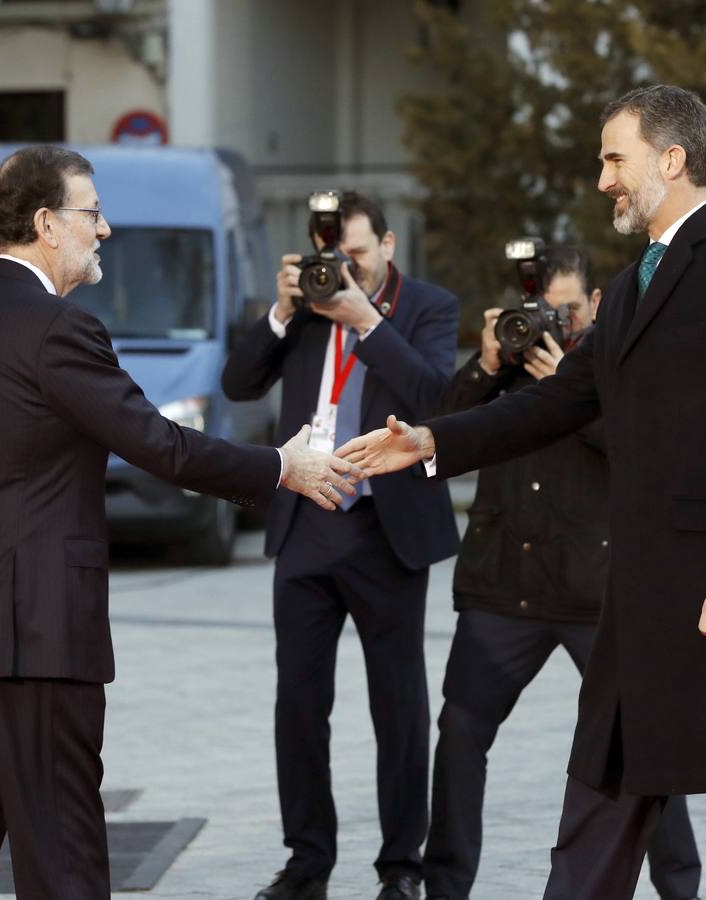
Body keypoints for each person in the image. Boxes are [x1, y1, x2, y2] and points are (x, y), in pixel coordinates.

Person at [338, 85, 706, 899]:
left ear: (671, 158)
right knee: (597, 818)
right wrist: (432, 441)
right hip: (641, 606)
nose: (604, 177)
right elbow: (556, 402)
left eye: (615, 157)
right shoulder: (635, 282)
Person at [0, 145, 360, 900]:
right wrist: (278, 466)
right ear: (46, 223)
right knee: (63, 855)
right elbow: (157, 442)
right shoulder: (58, 330)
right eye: (91, 212)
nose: (105, 229)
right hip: (39, 640)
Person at [423, 247, 700, 900]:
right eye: (542, 309)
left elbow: (652, 452)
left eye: (567, 309)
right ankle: (443, 889)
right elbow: (440, 430)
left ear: (596, 304)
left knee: (647, 741)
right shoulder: (504, 365)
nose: (553, 322)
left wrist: (566, 391)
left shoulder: (623, 361)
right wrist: (488, 361)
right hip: (501, 588)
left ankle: (679, 887)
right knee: (459, 734)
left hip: (594, 592)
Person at [221, 192, 460, 900]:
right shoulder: (304, 306)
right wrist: (282, 311)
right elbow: (238, 384)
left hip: (385, 529)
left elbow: (436, 398)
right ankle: (306, 864)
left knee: (398, 707)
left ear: (386, 245)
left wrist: (365, 320)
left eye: (356, 256)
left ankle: (400, 868)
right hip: (304, 523)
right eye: (334, 258)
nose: (344, 270)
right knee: (297, 704)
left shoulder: (426, 306)